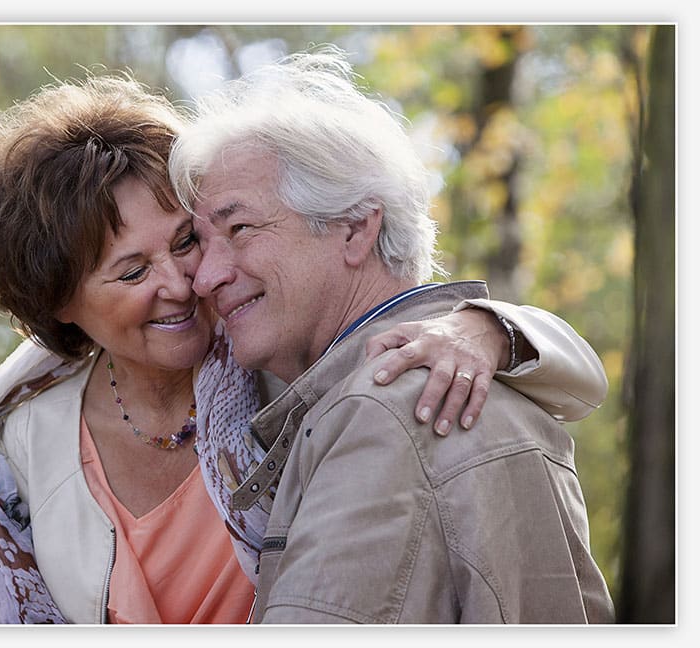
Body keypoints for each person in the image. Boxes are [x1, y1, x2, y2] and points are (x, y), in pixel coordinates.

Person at [0, 72, 609, 624]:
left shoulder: (274, 353)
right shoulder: (9, 458)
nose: (187, 282)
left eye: (186, 241)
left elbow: (390, 318)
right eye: (132, 271)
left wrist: (486, 327)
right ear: (59, 304)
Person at [168, 47, 615, 623]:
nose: (205, 277)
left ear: (356, 228)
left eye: (241, 228)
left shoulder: (386, 409)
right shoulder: (466, 375)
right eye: (202, 243)